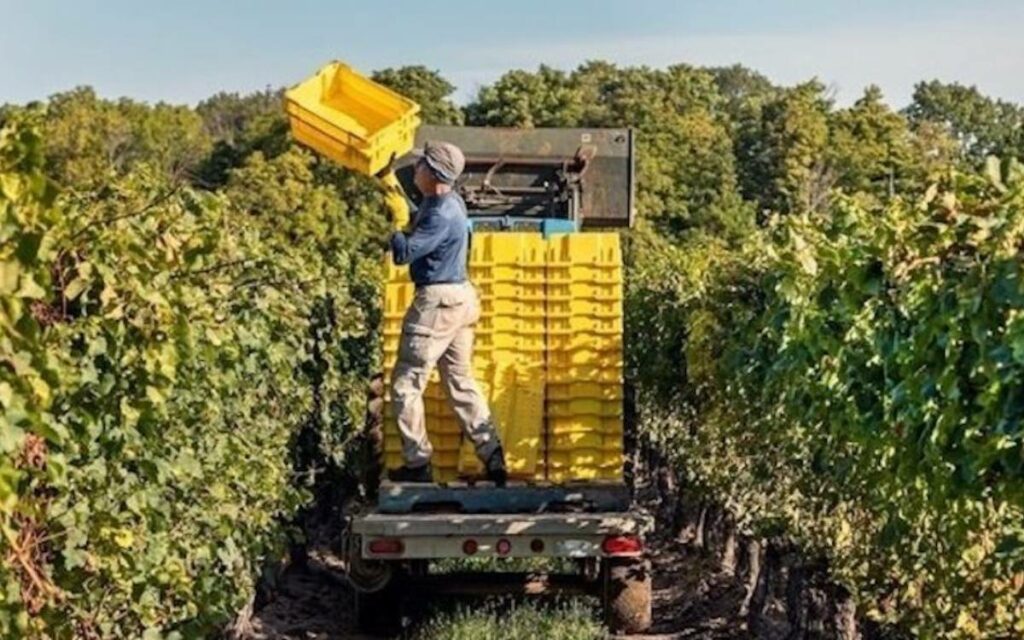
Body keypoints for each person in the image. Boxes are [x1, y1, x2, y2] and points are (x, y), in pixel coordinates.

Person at [388, 140, 507, 485]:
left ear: (434, 173)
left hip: (437, 302)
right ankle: (492, 453)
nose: (416, 171)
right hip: (461, 298)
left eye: (421, 165)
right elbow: (422, 221)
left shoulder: (439, 213)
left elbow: (405, 253)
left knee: (406, 383)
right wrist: (399, 196)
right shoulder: (447, 201)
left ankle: (417, 463)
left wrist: (396, 224)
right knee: (459, 379)